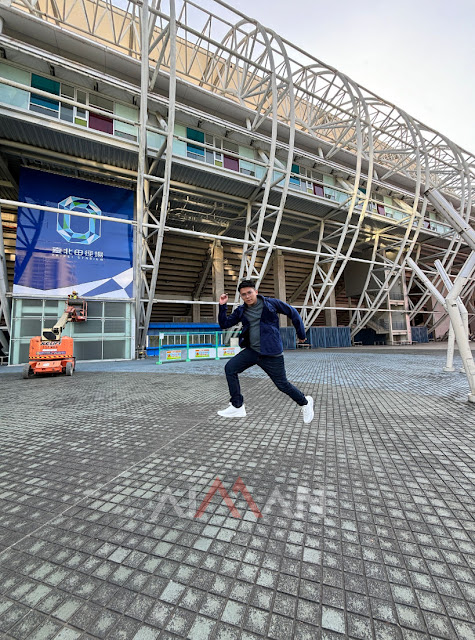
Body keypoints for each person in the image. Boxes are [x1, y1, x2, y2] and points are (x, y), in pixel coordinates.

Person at [217, 279, 314, 423]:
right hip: (252, 351)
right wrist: (222, 306)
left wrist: (301, 335)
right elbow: (224, 324)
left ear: (256, 292)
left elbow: (293, 313)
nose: (247, 296)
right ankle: (237, 406)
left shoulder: (271, 303)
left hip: (271, 353)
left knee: (282, 385)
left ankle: (305, 402)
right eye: (243, 295)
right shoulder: (241, 310)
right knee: (230, 368)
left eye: (249, 293)